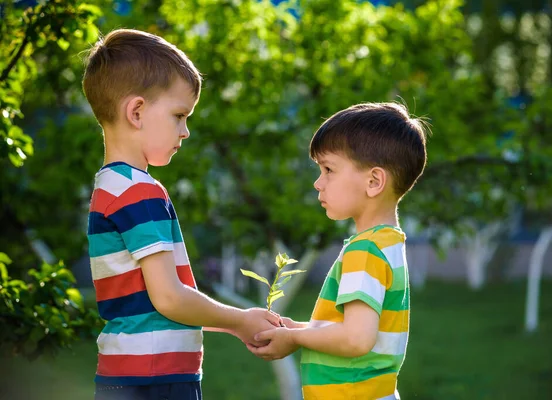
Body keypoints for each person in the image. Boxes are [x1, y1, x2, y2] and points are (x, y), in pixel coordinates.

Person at [83, 29, 280, 400]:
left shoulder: (108, 187)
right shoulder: (138, 190)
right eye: (179, 115)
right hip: (157, 379)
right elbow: (170, 298)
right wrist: (239, 322)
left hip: (124, 375)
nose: (185, 131)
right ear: (137, 111)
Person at [247, 102, 428, 400]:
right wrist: (307, 329)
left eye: (329, 169)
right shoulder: (387, 243)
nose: (318, 183)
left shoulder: (365, 250)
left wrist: (294, 337)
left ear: (373, 182)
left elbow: (356, 339)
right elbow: (355, 330)